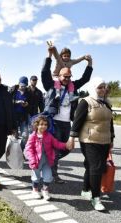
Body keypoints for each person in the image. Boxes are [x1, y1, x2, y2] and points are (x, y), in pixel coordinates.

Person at [42, 44, 93, 184]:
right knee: (56, 148)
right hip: (54, 122)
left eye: (69, 77)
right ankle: (53, 173)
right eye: (65, 76)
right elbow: (44, 72)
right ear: (59, 76)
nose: (67, 79)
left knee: (67, 148)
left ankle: (50, 160)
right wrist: (49, 56)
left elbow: (85, 79)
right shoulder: (51, 86)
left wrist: (89, 64)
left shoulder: (73, 87)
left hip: (67, 123)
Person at [67, 77, 115, 211]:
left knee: (90, 166)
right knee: (96, 168)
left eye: (104, 87)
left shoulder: (107, 103)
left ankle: (85, 189)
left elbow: (110, 123)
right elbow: (77, 121)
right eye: (100, 87)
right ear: (94, 88)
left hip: (104, 141)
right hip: (89, 140)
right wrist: (72, 138)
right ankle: (96, 198)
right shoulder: (85, 102)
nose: (103, 89)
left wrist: (112, 139)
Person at [25, 115, 72, 200]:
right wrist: (32, 160)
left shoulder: (49, 135)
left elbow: (56, 144)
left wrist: (65, 145)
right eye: (41, 124)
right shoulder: (33, 136)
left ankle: (45, 190)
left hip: (47, 161)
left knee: (48, 177)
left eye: (45, 124)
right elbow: (28, 149)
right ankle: (35, 190)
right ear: (36, 125)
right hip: (36, 161)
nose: (44, 126)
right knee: (36, 177)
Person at [10, 76, 31, 149]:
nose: (23, 87)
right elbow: (8, 101)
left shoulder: (28, 92)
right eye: (22, 85)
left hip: (23, 117)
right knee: (14, 136)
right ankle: (14, 152)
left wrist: (27, 104)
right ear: (18, 84)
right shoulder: (13, 90)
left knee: (25, 135)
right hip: (14, 117)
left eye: (25, 86)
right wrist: (17, 102)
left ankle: (21, 150)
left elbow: (31, 104)